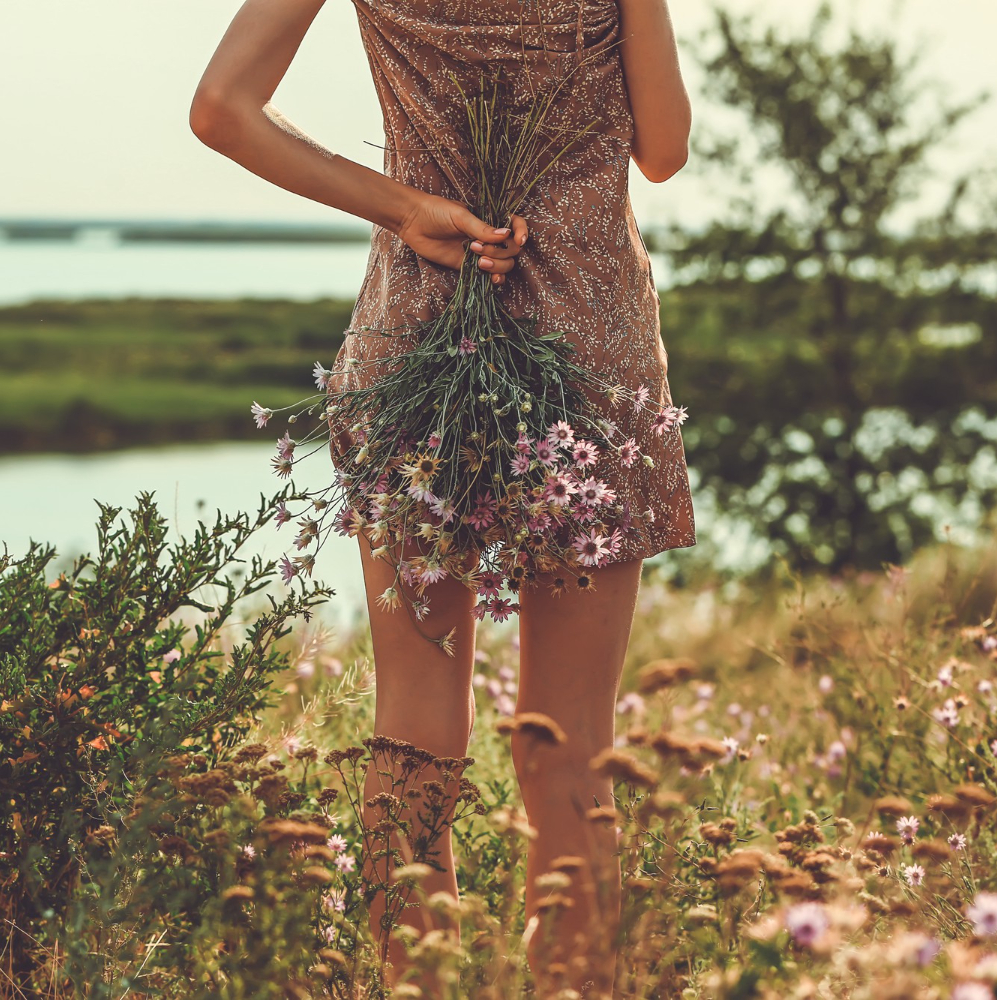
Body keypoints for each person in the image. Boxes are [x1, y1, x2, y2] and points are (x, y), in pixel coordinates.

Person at [191, 0, 695, 993]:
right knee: (574, 739)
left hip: (415, 334)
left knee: (415, 724)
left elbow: (222, 110)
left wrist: (405, 207)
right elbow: (666, 149)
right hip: (588, 347)